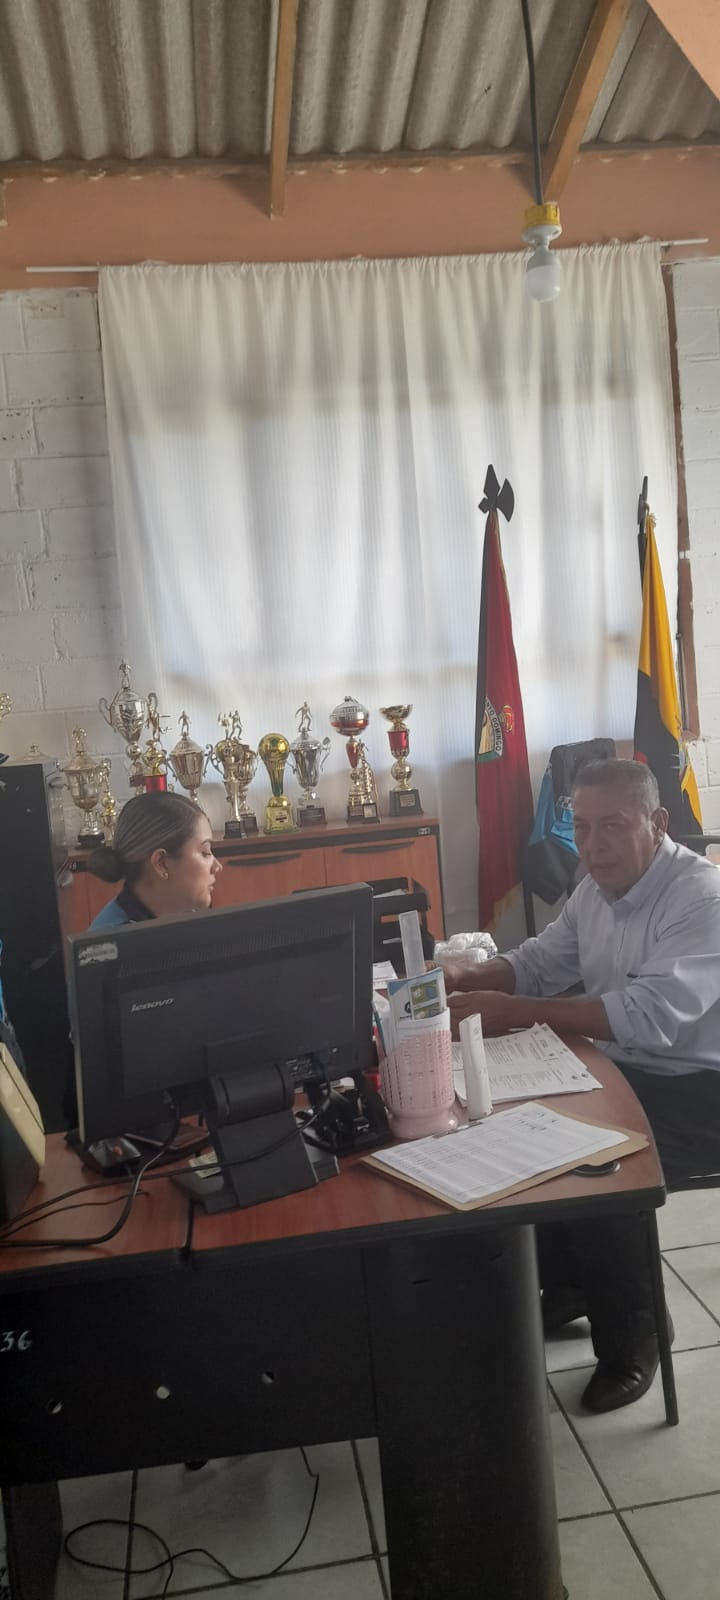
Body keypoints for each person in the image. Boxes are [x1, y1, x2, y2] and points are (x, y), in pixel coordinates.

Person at [446, 758, 720, 1413]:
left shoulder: (702, 899)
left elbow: (649, 1018)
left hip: (699, 1088)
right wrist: (464, 981)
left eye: (612, 826)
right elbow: (542, 960)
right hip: (627, 1068)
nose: (593, 846)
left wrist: (514, 1012)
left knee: (598, 1161)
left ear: (657, 823)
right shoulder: (597, 887)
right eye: (583, 828)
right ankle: (572, 1284)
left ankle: (637, 1336)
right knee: (521, 1123)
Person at [87, 791, 222, 927]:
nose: (217, 867)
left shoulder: (179, 913)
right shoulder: (117, 936)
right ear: (162, 863)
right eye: (205, 852)